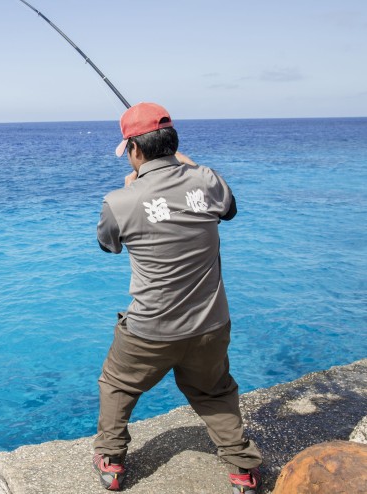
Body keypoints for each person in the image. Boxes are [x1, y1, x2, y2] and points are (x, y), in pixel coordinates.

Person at [92, 103, 263, 493]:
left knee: (118, 385)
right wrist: (188, 166)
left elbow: (108, 245)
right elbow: (229, 209)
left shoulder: (120, 202)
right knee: (214, 390)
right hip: (210, 324)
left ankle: (112, 461)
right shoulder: (206, 179)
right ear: (173, 143)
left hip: (149, 329)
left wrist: (129, 190)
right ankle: (241, 469)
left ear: (135, 150)